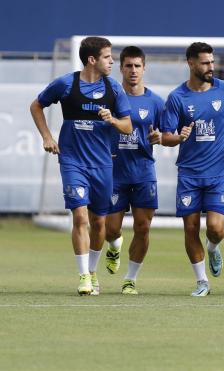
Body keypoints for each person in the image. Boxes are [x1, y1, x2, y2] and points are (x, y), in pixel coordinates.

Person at [29, 36, 132, 295]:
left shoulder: (114, 89)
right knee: (80, 216)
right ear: (92, 60)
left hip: (102, 163)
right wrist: (47, 136)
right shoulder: (66, 84)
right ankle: (84, 275)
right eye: (108, 57)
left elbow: (128, 126)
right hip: (72, 161)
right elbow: (36, 105)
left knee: (99, 222)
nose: (112, 62)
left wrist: (112, 120)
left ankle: (94, 271)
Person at [161, 42, 224, 297]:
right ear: (191, 64)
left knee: (215, 229)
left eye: (212, 62)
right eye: (206, 62)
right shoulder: (177, 98)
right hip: (189, 174)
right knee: (190, 228)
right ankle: (202, 282)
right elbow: (165, 137)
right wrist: (179, 137)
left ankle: (212, 247)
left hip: (219, 172)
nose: (211, 67)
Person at [104, 46, 164, 295]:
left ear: (144, 68)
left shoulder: (156, 102)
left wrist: (160, 136)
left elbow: (167, 133)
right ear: (121, 68)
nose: (133, 71)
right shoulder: (109, 96)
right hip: (115, 173)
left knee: (143, 227)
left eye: (137, 66)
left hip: (143, 172)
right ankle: (115, 245)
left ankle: (130, 279)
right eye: (128, 66)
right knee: (110, 229)